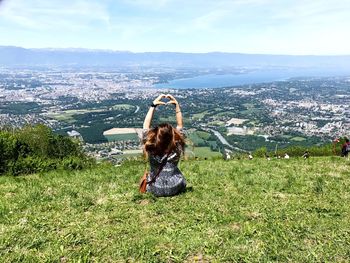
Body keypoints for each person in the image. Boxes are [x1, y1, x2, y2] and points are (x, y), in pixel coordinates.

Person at [142, 94, 186, 197]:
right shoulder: (177, 146)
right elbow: (180, 126)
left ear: (155, 135)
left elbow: (145, 126)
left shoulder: (151, 146)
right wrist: (177, 106)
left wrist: (152, 106)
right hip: (175, 187)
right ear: (173, 135)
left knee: (149, 175)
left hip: (155, 188)